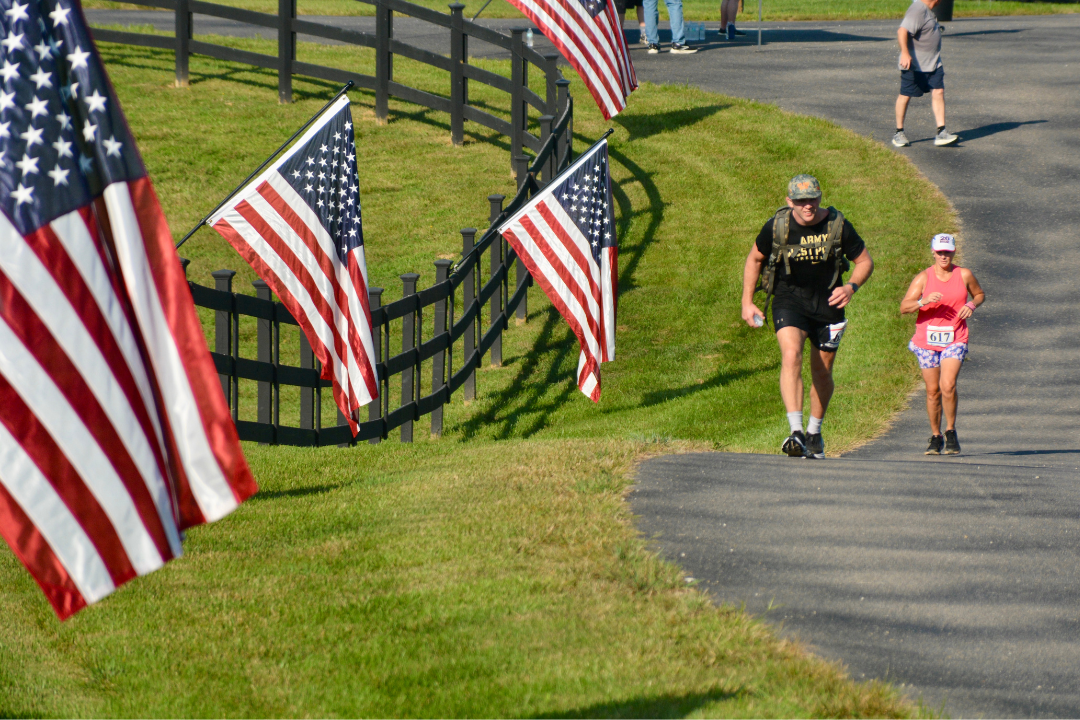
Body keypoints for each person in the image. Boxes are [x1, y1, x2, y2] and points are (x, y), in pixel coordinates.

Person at [741, 175, 875, 459]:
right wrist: (747, 301)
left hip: (829, 303)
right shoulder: (777, 226)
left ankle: (814, 432)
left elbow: (864, 261)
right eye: (801, 201)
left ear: (820, 197)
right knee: (791, 354)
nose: (808, 206)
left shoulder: (837, 225)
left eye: (812, 199)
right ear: (790, 201)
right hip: (789, 299)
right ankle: (796, 431)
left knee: (822, 371)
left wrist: (851, 287)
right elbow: (754, 258)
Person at [900, 233, 985, 455]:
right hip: (926, 341)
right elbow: (904, 307)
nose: (943, 256)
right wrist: (922, 301)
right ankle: (935, 436)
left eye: (947, 252)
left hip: (955, 337)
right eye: (940, 252)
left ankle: (950, 431)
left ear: (954, 252)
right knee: (932, 390)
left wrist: (972, 305)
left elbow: (979, 294)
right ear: (933, 253)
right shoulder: (923, 278)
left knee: (947, 385)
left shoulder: (963, 274)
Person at [893, 0, 958, 148]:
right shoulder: (918, 8)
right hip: (914, 65)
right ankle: (899, 132)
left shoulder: (927, 10)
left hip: (934, 63)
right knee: (905, 95)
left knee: (939, 92)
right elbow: (902, 31)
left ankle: (941, 132)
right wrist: (905, 53)